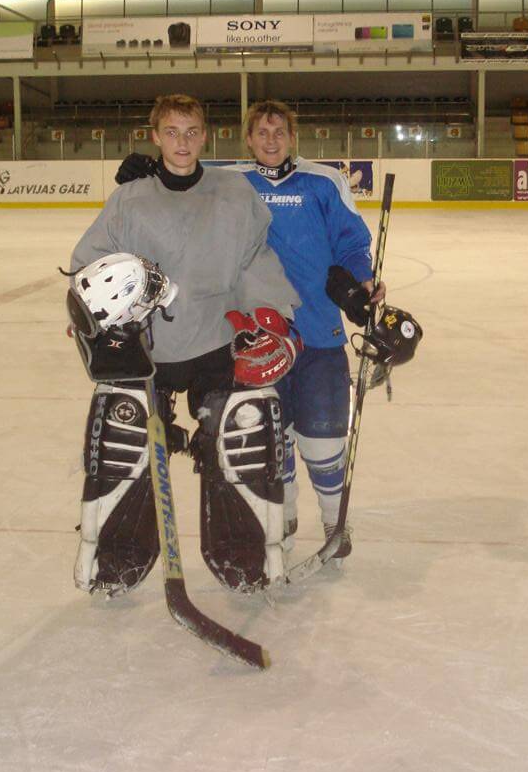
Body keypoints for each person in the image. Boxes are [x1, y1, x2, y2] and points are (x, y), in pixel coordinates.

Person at [117, 98, 386, 561]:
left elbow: (351, 240)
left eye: (279, 131)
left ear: (292, 136)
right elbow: (185, 176)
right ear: (247, 139)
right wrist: (148, 175)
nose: (271, 140)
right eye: (261, 132)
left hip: (319, 330)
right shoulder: (231, 182)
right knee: (268, 441)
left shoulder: (323, 181)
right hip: (255, 337)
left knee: (322, 436)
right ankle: (281, 517)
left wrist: (361, 278)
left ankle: (333, 519)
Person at [70, 94, 300, 596]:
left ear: (205, 136)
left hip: (215, 339)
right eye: (171, 132)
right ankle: (116, 555)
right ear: (155, 136)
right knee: (124, 438)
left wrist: (268, 316)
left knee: (237, 437)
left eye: (191, 131)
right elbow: (90, 263)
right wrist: (98, 319)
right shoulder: (130, 199)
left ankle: (242, 555)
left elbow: (254, 259)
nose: (182, 142)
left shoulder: (233, 193)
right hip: (145, 347)